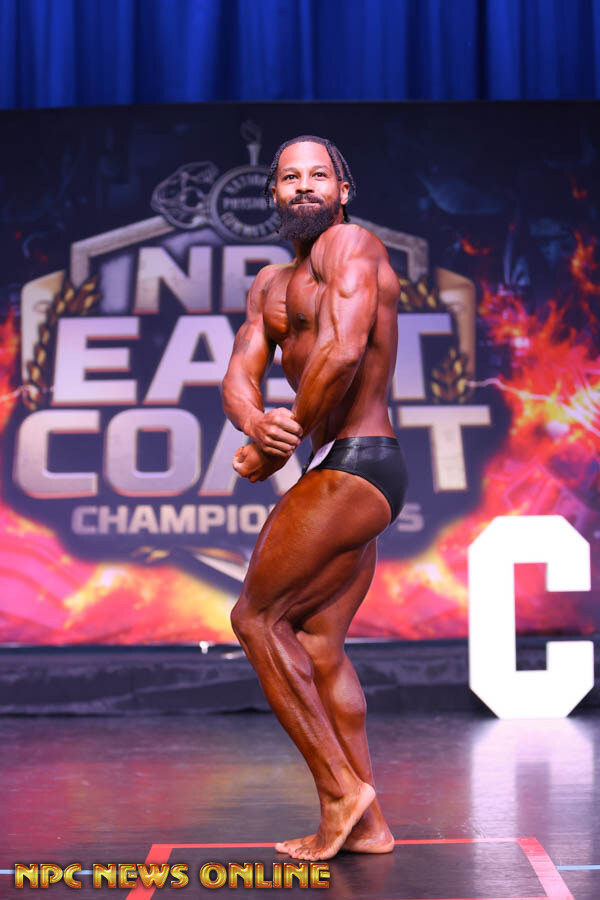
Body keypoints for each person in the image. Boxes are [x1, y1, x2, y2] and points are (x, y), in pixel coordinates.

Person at [221, 135, 407, 861]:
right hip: (340, 465)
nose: (304, 186)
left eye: (318, 175)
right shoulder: (269, 285)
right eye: (289, 176)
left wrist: (285, 435)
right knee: (319, 644)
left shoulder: (351, 246)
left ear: (343, 190)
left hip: (357, 462)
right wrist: (254, 423)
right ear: (273, 193)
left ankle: (339, 793)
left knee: (256, 618)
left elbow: (344, 349)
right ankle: (370, 825)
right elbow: (239, 373)